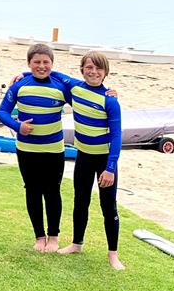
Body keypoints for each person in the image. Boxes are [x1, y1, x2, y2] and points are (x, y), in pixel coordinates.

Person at [0, 42, 70, 252]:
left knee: (53, 191)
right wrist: (18, 126)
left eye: (46, 62)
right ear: (29, 63)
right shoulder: (20, 86)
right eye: (36, 62)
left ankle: (54, 237)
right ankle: (39, 236)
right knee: (33, 191)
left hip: (54, 149)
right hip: (27, 150)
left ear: (52, 64)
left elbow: (82, 97)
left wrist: (108, 93)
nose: (41, 66)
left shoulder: (61, 87)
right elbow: (2, 112)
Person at [53, 53, 124, 269]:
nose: (94, 72)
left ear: (106, 72)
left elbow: (116, 135)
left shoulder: (110, 101)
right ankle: (76, 243)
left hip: (105, 160)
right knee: (80, 201)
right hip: (83, 156)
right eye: (89, 67)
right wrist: (23, 74)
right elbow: (51, 73)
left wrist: (110, 168)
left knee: (108, 206)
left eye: (99, 69)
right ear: (82, 69)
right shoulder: (75, 88)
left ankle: (113, 254)